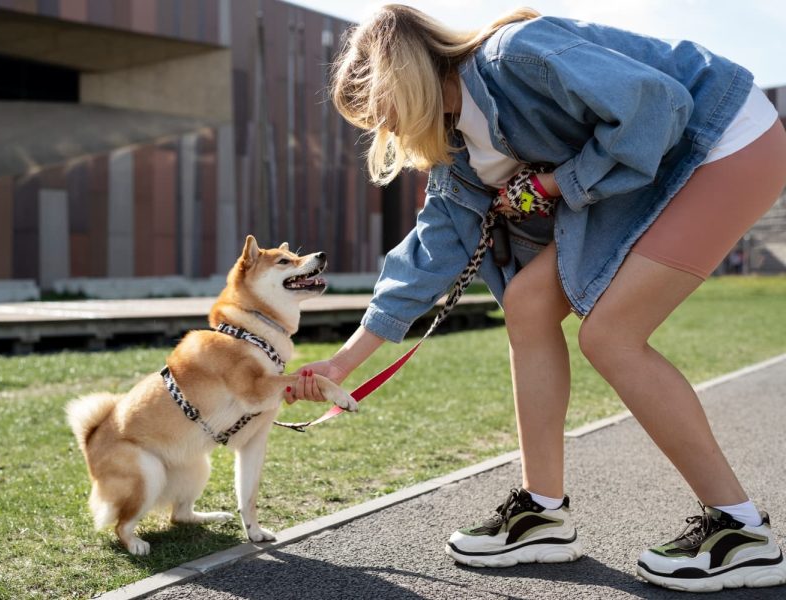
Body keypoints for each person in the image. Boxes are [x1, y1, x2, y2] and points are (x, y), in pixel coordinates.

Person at [287, 4, 786, 591]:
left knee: (611, 336)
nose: (385, 133)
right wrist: (342, 362)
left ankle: (741, 531)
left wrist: (553, 184)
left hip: (725, 137)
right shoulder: (457, 152)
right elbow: (429, 253)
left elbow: (657, 108)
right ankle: (543, 514)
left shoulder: (514, 56)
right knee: (525, 303)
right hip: (660, 164)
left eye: (380, 113)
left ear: (401, 77)